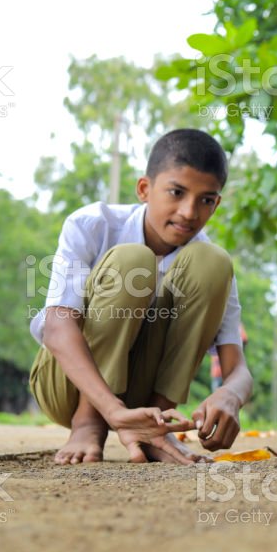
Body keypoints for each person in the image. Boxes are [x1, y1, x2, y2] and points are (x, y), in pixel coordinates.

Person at [29, 129, 253, 465]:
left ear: (216, 203)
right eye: (176, 192)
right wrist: (109, 412)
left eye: (206, 199)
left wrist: (231, 395)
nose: (190, 212)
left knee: (214, 261)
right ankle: (88, 423)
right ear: (144, 189)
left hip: (141, 396)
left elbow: (239, 370)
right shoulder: (92, 224)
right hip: (68, 387)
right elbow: (57, 328)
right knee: (132, 261)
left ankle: (155, 427)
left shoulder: (207, 263)